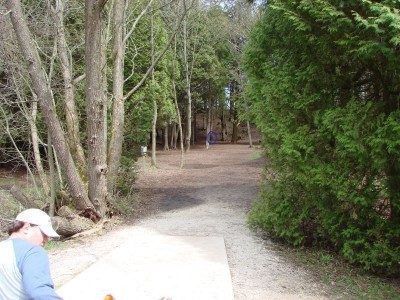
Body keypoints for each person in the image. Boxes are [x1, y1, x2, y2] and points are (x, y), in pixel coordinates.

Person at [0, 208, 63, 299]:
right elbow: (40, 292)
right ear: (26, 228)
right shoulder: (32, 252)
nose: (45, 241)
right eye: (44, 234)